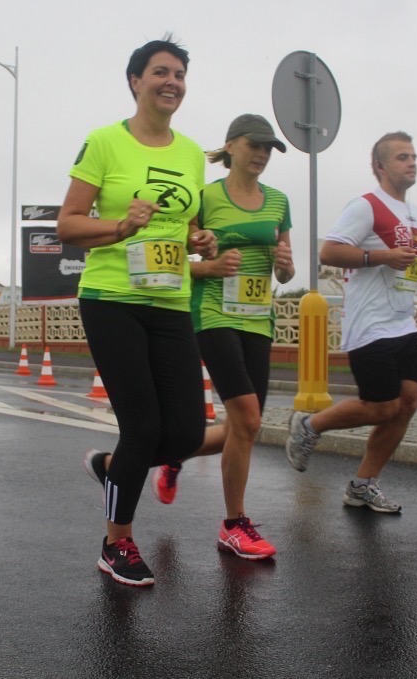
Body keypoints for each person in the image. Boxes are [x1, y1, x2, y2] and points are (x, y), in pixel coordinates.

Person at [57, 35, 216, 586]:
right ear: (135, 81)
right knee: (142, 426)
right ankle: (116, 544)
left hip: (170, 300)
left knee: (187, 433)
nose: (172, 82)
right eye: (161, 72)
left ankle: (110, 468)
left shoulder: (191, 153)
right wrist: (120, 226)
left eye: (180, 74)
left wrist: (200, 239)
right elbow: (68, 224)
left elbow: (184, 225)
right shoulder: (105, 142)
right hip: (112, 299)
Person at [285, 131, 417, 513]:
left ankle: (363, 485)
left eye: (413, 156)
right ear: (380, 166)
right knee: (383, 406)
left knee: (408, 402)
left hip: (402, 322)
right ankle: (309, 425)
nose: (412, 162)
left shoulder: (416, 214)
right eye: (402, 157)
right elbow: (329, 251)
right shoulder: (365, 206)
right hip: (369, 323)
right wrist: (380, 256)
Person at [150, 114, 293, 561]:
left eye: (269, 148)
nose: (262, 154)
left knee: (242, 426)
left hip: (258, 318)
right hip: (213, 313)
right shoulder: (205, 196)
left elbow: (285, 272)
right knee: (247, 418)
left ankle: (174, 456)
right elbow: (175, 258)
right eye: (255, 145)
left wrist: (286, 266)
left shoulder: (280, 201)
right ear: (231, 146)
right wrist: (209, 262)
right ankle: (234, 525)